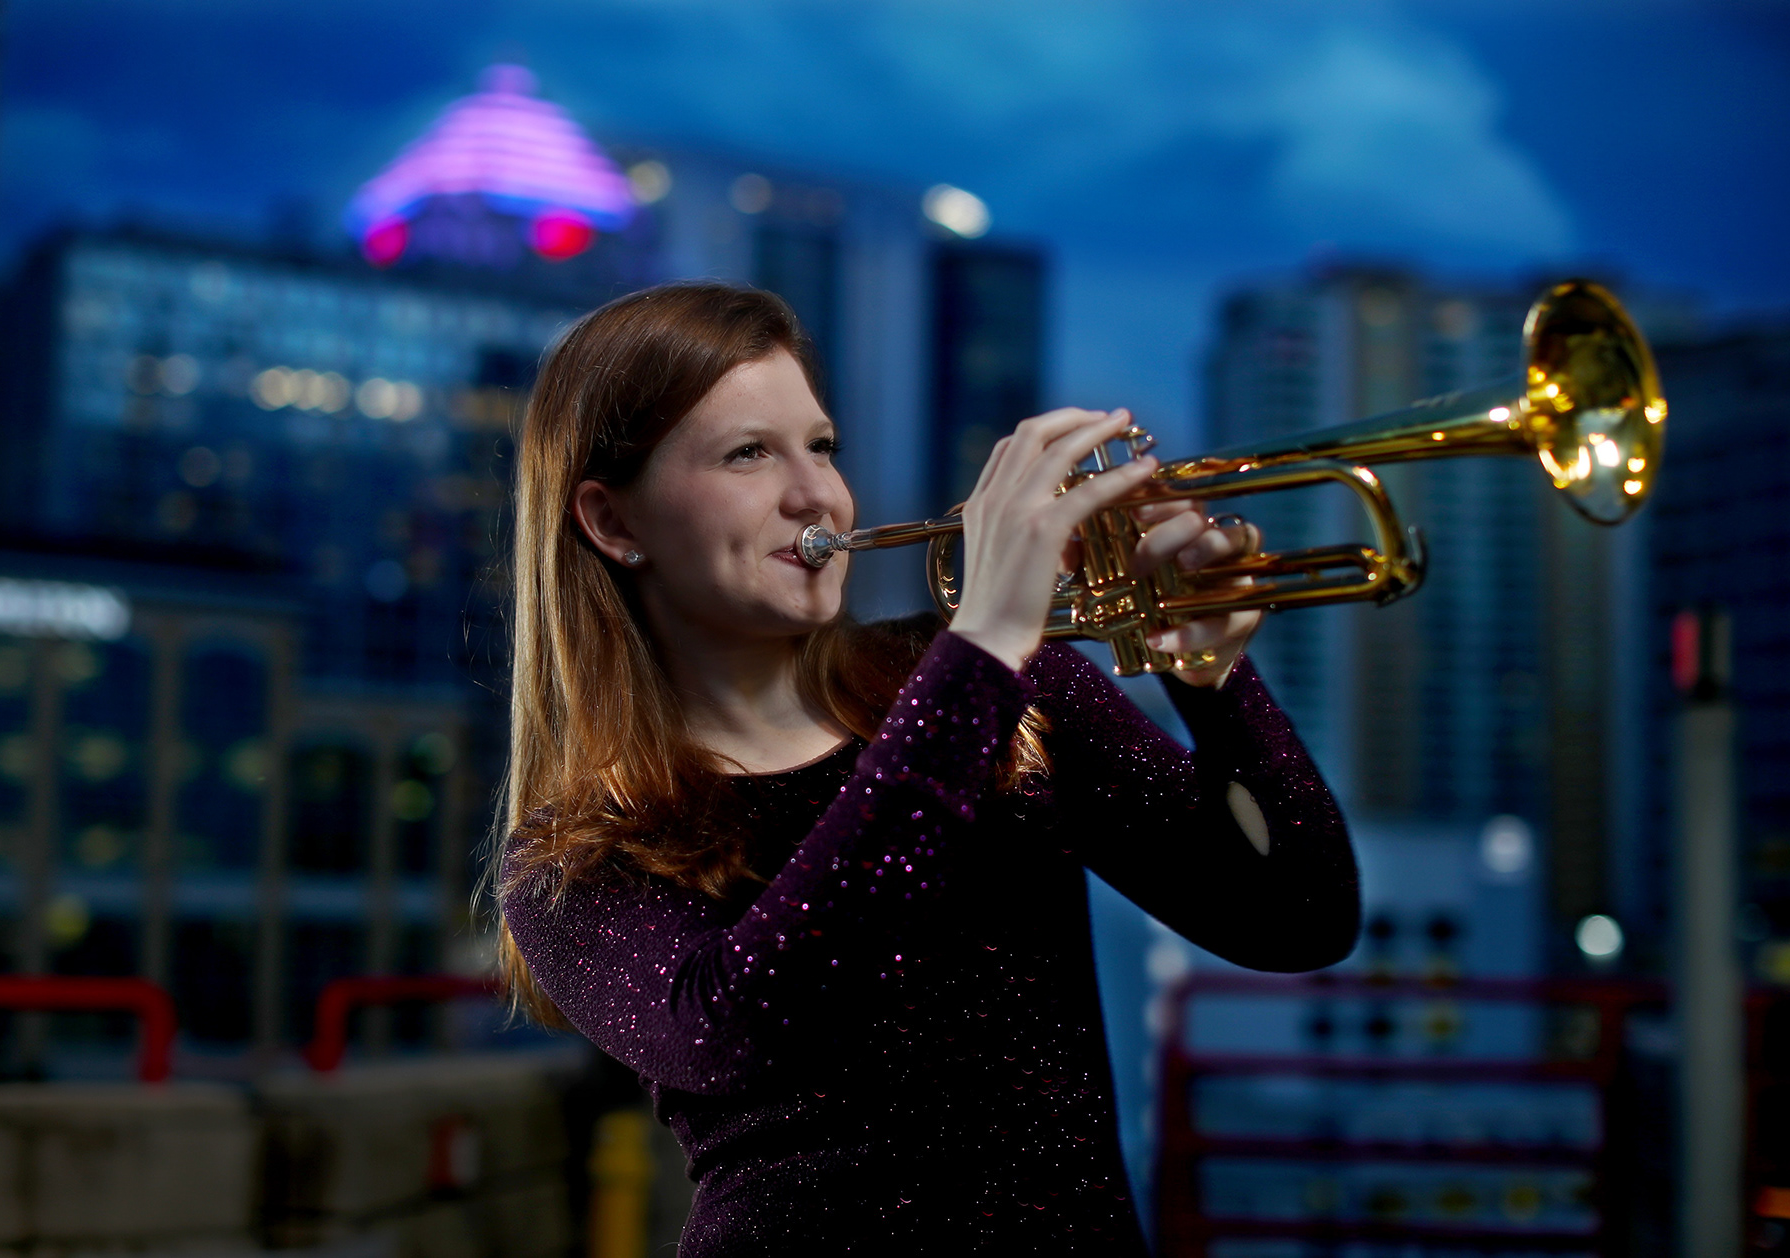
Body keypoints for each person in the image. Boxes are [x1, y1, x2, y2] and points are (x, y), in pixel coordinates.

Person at [494, 282, 1359, 1255]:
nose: (815, 494)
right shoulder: (576, 854)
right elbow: (747, 1022)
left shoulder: (1002, 685)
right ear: (614, 524)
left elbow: (1299, 917)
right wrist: (982, 640)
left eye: (821, 446)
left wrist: (1211, 671)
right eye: (749, 453)